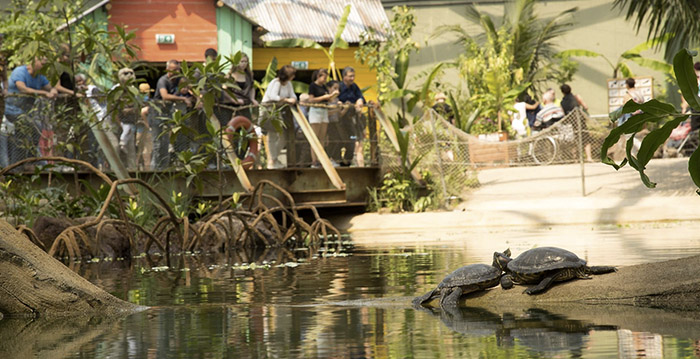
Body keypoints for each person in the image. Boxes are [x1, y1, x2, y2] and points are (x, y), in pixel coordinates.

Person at [1, 57, 58, 168]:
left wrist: (53, 91)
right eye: (42, 63)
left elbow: (51, 87)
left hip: (26, 113)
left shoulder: (40, 76)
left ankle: (20, 164)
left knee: (23, 137)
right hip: (12, 110)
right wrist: (44, 93)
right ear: (34, 62)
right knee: (32, 126)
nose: (44, 65)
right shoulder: (20, 71)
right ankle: (28, 160)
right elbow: (22, 88)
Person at [150, 59, 192, 169]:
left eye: (178, 70)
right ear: (168, 69)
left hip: (172, 117)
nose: (176, 72)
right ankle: (154, 170)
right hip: (158, 115)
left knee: (178, 142)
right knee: (159, 145)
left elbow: (191, 89)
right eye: (174, 70)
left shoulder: (179, 80)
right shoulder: (163, 80)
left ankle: (173, 167)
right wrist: (182, 98)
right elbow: (165, 96)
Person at [261, 64, 297, 169]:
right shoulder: (275, 83)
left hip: (280, 111)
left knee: (283, 137)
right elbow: (273, 96)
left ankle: (273, 158)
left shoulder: (288, 84)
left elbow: (293, 95)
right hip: (269, 109)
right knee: (272, 135)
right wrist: (286, 100)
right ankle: (273, 161)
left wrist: (293, 99)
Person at [110, 67, 140, 169]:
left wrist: (130, 111)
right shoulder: (115, 90)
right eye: (126, 73)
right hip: (114, 122)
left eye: (131, 73)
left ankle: (132, 173)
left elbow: (137, 107)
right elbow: (111, 108)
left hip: (129, 123)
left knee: (131, 149)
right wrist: (120, 124)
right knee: (115, 147)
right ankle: (114, 171)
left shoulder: (133, 90)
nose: (129, 75)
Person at [307, 68, 338, 167]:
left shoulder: (324, 87)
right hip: (315, 111)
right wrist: (324, 97)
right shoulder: (313, 86)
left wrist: (332, 96)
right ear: (318, 76)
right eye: (324, 77)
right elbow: (311, 100)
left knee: (322, 138)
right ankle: (314, 160)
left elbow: (328, 100)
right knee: (314, 137)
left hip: (324, 111)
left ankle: (321, 159)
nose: (325, 80)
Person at [338, 66, 367, 166]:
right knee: (341, 141)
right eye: (350, 76)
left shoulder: (354, 87)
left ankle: (347, 161)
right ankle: (339, 161)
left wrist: (360, 100)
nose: (352, 78)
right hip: (340, 119)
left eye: (353, 76)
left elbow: (360, 97)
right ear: (344, 77)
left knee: (353, 140)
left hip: (353, 119)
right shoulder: (339, 87)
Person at [560, 84, 593, 161]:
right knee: (586, 139)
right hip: (580, 120)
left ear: (562, 92)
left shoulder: (562, 102)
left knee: (575, 140)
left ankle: (575, 158)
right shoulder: (576, 97)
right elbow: (585, 106)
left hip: (571, 122)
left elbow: (564, 114)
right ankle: (589, 157)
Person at [228, 53, 258, 122]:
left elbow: (252, 87)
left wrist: (252, 99)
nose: (244, 64)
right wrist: (233, 100)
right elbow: (225, 90)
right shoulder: (230, 76)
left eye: (245, 62)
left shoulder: (249, 75)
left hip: (245, 105)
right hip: (232, 106)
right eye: (242, 61)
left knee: (247, 124)